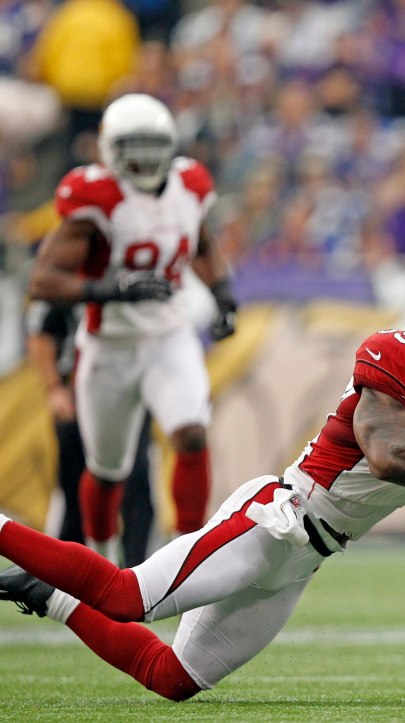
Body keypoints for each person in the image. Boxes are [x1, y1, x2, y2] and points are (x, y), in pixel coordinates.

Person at [0, 280, 405, 700]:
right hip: (277, 519)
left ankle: (49, 595)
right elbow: (388, 455)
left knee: (173, 679)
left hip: (309, 555)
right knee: (127, 595)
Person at [27, 93, 239, 559]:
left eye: (152, 145)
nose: (144, 159)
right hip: (110, 345)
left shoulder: (189, 185)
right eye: (132, 147)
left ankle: (189, 553)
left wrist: (222, 294)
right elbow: (43, 279)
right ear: (109, 150)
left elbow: (201, 242)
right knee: (107, 470)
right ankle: (100, 558)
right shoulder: (97, 197)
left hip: (169, 334)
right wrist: (113, 288)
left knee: (191, 432)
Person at [24, 300, 154, 566]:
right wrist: (53, 389)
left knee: (137, 484)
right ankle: (71, 575)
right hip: (77, 397)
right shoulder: (72, 274)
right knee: (75, 491)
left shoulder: (140, 275)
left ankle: (137, 578)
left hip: (128, 397)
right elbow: (41, 330)